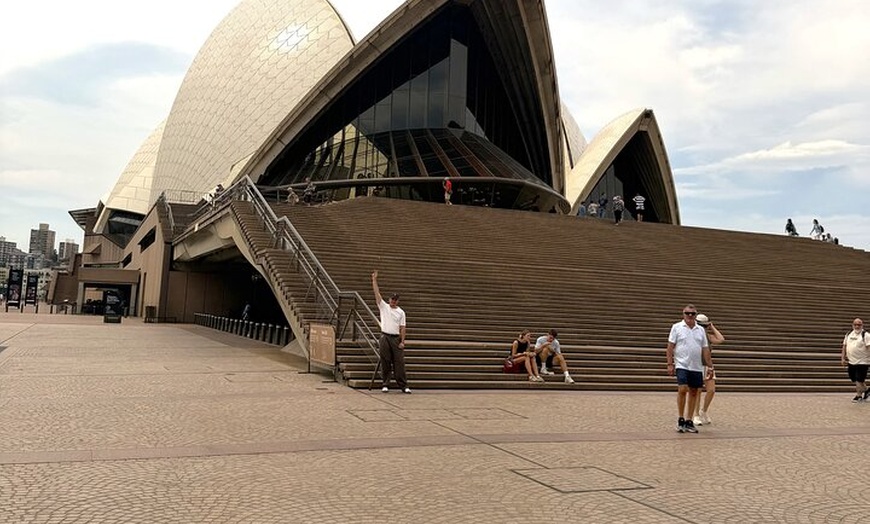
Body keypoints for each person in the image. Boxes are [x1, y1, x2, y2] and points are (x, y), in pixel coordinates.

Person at [666, 305, 712, 433]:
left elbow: (705, 349)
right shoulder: (677, 327)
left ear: (695, 315)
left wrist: (710, 366)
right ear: (683, 314)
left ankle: (689, 420)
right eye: (687, 313)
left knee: (694, 391)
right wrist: (670, 364)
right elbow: (670, 346)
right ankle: (681, 418)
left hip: (696, 365)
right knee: (682, 389)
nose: (690, 316)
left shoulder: (700, 330)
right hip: (682, 364)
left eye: (692, 314)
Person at [372, 270, 410, 394]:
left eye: (395, 299)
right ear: (389, 299)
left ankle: (403, 385)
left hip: (395, 338)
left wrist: (402, 341)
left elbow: (403, 327)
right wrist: (374, 280)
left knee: (399, 362)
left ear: (398, 301)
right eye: (392, 299)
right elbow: (377, 294)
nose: (393, 301)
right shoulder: (384, 307)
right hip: (385, 336)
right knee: (385, 360)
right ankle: (385, 384)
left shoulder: (401, 312)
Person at [692, 314, 725, 426]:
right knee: (697, 391)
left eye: (705, 326)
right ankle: (696, 415)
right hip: (696, 365)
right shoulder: (693, 335)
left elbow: (720, 339)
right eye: (702, 326)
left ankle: (704, 411)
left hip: (707, 365)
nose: (704, 328)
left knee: (711, 390)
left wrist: (712, 327)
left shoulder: (708, 336)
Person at [841, 318, 869, 402]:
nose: (857, 326)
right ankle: (867, 390)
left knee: (859, 379)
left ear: (862, 325)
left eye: (859, 325)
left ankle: (858, 395)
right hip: (851, 361)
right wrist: (843, 358)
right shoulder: (849, 334)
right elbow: (844, 346)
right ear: (852, 325)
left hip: (863, 361)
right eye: (855, 324)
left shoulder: (866, 335)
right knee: (854, 378)